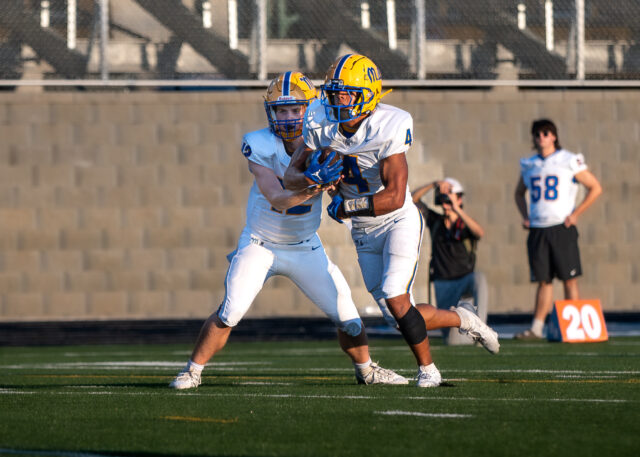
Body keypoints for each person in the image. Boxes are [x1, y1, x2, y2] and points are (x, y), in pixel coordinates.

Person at [170, 71, 407, 389]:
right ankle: (192, 371)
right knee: (231, 310)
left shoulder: (327, 139)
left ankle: (366, 371)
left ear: (310, 109)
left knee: (348, 319)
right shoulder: (260, 144)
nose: (288, 117)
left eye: (296, 109)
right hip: (260, 243)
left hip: (305, 245)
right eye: (281, 110)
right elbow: (278, 198)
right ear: (271, 112)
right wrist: (314, 184)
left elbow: (343, 192)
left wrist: (347, 196)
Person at [284, 54, 499, 388]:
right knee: (400, 314)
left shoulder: (390, 124)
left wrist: (345, 206)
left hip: (396, 221)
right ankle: (464, 318)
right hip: (363, 231)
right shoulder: (317, 118)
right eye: (335, 93)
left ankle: (428, 370)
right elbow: (290, 176)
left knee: (396, 296)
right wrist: (310, 177)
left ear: (368, 94)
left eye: (347, 94)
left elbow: (395, 196)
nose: (337, 100)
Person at [514, 119, 602, 340]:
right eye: (537, 134)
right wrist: (525, 216)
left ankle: (576, 328)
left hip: (561, 227)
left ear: (554, 136)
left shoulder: (569, 160)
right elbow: (518, 193)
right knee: (543, 280)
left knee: (569, 278)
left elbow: (595, 187)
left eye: (546, 133)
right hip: (538, 229)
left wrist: (576, 214)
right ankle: (536, 328)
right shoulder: (529, 164)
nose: (541, 137)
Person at [411, 178, 487, 343]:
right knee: (452, 340)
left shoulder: (464, 222)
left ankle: (482, 329)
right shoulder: (436, 221)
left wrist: (456, 209)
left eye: (450, 197)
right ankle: (469, 335)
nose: (445, 201)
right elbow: (412, 199)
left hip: (465, 278)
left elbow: (479, 232)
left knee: (479, 279)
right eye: (443, 198)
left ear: (459, 198)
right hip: (443, 283)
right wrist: (434, 184)